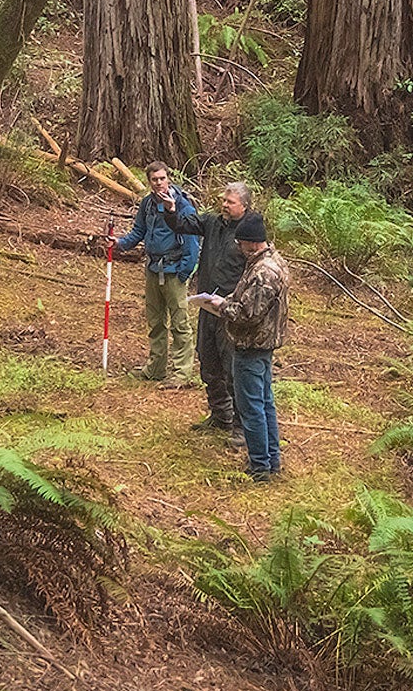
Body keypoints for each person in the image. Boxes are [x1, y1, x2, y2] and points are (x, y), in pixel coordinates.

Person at [107, 162, 201, 385]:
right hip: (152, 269)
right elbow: (139, 230)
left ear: (168, 178)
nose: (159, 183)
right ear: (149, 182)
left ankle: (181, 372)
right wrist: (120, 243)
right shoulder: (147, 204)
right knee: (155, 321)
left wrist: (184, 272)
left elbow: (192, 241)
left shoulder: (183, 206)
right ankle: (156, 367)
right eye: (154, 180)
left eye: (162, 178)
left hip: (174, 270)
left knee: (180, 323)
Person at [171, 182, 253, 434]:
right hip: (208, 305)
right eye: (224, 200)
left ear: (245, 206)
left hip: (231, 310)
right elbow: (185, 224)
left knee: (231, 367)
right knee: (208, 361)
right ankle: (220, 415)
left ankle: (241, 425)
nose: (225, 205)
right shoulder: (213, 222)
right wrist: (171, 209)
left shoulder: (250, 230)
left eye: (230, 202)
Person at [213, 212, 289, 480]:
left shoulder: (264, 272)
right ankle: (271, 460)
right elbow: (247, 298)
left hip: (252, 345)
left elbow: (248, 314)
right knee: (264, 403)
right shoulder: (266, 262)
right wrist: (228, 299)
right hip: (261, 344)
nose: (239, 248)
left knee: (252, 407)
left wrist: (223, 307)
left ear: (253, 243)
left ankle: (260, 467)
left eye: (241, 243)